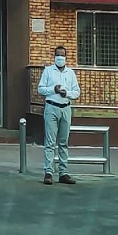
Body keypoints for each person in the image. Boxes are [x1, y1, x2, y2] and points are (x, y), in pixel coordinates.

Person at [37, 45, 81, 185]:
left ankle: (63, 172)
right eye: (58, 55)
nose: (60, 58)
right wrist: (53, 89)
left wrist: (66, 93)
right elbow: (40, 89)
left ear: (66, 57)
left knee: (63, 142)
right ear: (54, 56)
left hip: (66, 108)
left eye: (62, 55)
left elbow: (77, 92)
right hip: (51, 107)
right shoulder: (48, 71)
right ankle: (48, 172)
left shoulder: (70, 73)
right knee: (50, 142)